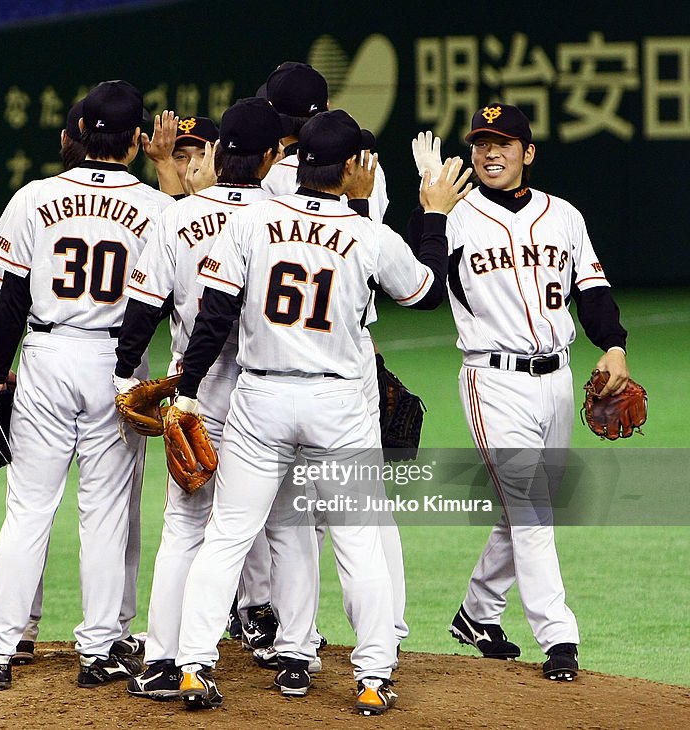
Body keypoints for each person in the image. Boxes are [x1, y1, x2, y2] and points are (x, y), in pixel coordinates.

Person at [169, 110, 471, 713]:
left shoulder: (254, 221)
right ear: (355, 168)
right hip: (336, 402)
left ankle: (194, 664)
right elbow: (426, 291)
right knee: (358, 542)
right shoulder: (368, 234)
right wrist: (433, 215)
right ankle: (373, 675)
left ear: (296, 161)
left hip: (260, 399)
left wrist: (186, 387)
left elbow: (215, 315)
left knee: (228, 535)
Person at [0, 79, 174, 691]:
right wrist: (131, 370)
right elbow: (162, 303)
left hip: (46, 356)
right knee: (104, 513)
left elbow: (7, 297)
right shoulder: (159, 209)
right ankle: (100, 650)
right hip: (114, 359)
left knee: (28, 509)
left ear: (79, 134)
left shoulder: (33, 198)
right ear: (136, 141)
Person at [413, 104, 631, 682]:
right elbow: (426, 289)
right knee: (533, 510)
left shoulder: (564, 216)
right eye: (481, 142)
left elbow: (592, 288)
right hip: (493, 380)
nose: (489, 152)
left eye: (503, 143)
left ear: (527, 153)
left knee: (529, 508)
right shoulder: (456, 218)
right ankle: (559, 636)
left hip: (558, 379)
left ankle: (477, 611)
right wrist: (430, 216)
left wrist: (613, 344)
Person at [114, 97, 286, 699]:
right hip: (270, 389)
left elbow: (143, 307)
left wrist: (122, 377)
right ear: (274, 156)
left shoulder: (176, 218)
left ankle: (162, 660)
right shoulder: (286, 215)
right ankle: (291, 649)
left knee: (186, 527)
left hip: (197, 388)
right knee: (271, 525)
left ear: (216, 152)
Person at [259, 59, 411, 656]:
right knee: (363, 515)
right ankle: (383, 640)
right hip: (352, 358)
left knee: (286, 519)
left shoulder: (266, 182)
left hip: (274, 366)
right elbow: (405, 279)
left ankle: (293, 639)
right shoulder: (365, 180)